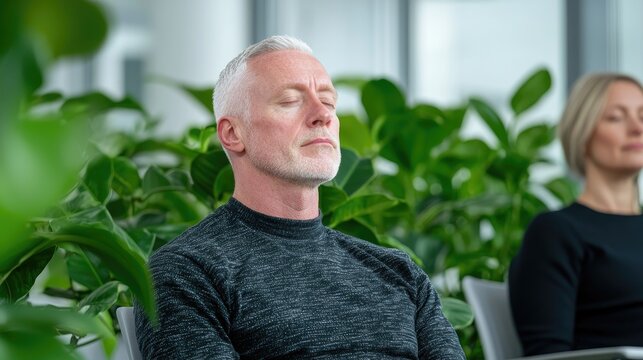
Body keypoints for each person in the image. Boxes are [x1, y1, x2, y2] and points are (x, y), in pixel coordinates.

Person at [134, 35, 464, 359]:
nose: (323, 114)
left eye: (329, 101)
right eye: (291, 101)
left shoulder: (398, 271)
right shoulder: (185, 272)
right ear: (233, 134)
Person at [509, 73, 643, 355]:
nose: (637, 128)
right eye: (616, 117)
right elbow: (548, 354)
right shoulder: (556, 232)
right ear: (583, 133)